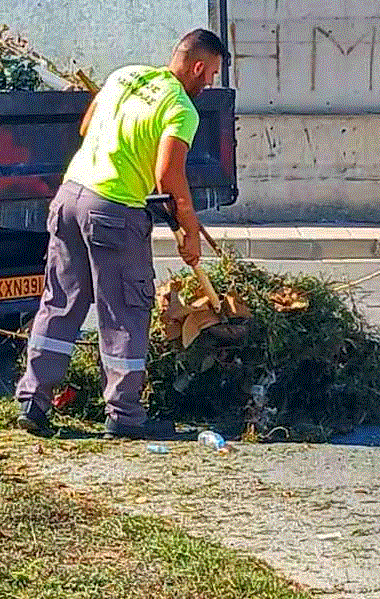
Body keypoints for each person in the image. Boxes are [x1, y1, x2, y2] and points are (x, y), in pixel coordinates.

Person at [16, 29, 225, 439]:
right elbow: (168, 174)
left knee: (61, 301)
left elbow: (87, 125)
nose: (212, 83)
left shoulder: (125, 75)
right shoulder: (181, 108)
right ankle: (125, 416)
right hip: (113, 211)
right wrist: (189, 229)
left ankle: (33, 403)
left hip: (70, 195)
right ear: (198, 67)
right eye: (212, 74)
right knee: (124, 310)